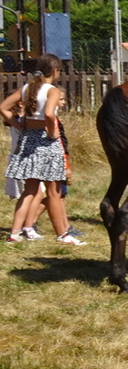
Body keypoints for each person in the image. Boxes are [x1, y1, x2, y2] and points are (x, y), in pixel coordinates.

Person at [1, 54, 85, 246]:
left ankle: (14, 234)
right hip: (46, 142)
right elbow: (48, 113)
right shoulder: (52, 90)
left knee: (29, 190)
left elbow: (4, 107)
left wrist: (19, 125)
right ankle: (62, 234)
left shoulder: (27, 88)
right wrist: (50, 129)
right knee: (53, 191)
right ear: (55, 71)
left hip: (28, 141)